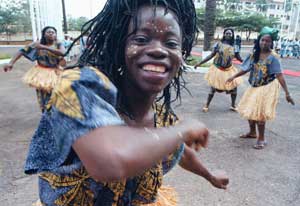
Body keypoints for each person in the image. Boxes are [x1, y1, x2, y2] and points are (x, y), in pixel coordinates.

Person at [26, 1, 229, 205]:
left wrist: (209, 175)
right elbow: (110, 162)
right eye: (141, 39)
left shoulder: (164, 118)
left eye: (171, 43)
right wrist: (181, 130)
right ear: (118, 45)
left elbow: (180, 151)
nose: (159, 50)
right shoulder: (78, 88)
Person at [227, 27, 295, 149]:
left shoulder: (273, 57)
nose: (264, 43)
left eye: (267, 41)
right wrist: (233, 77)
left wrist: (287, 93)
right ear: (259, 41)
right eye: (262, 40)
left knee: (260, 114)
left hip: (267, 87)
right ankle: (252, 132)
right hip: (254, 86)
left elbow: (279, 75)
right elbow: (246, 69)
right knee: (249, 110)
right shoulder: (254, 54)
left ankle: (261, 138)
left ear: (271, 43)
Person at [3, 26, 65, 112]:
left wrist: (43, 47)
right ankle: (46, 112)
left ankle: (56, 111)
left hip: (56, 72)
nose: (51, 33)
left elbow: (62, 53)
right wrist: (11, 63)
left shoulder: (58, 44)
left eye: (53, 32)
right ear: (44, 34)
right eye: (48, 32)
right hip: (42, 73)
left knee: (57, 93)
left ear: (55, 35)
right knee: (43, 95)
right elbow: (22, 51)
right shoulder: (37, 44)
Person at [194, 28, 243, 112]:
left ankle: (233, 105)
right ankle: (207, 105)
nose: (228, 35)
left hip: (229, 70)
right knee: (213, 89)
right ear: (224, 34)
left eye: (230, 34)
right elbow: (211, 55)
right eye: (226, 33)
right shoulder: (218, 44)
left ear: (232, 35)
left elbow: (238, 57)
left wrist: (246, 62)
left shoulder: (235, 46)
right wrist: (200, 63)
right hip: (218, 69)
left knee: (234, 88)